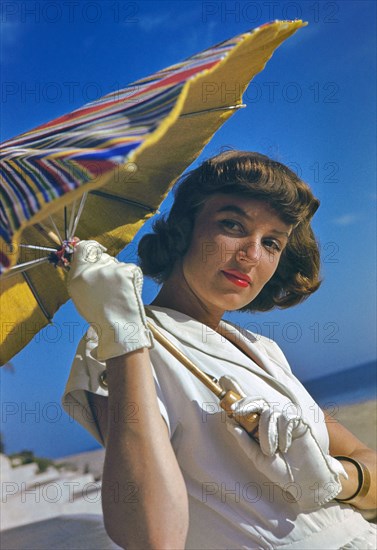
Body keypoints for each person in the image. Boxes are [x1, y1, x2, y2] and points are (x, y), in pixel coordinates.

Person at [62, 150, 377, 549]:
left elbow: (370, 465)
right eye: (232, 224)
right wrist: (123, 332)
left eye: (272, 243)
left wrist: (333, 477)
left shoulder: (262, 349)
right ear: (184, 228)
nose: (251, 254)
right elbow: (150, 535)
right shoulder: (117, 347)